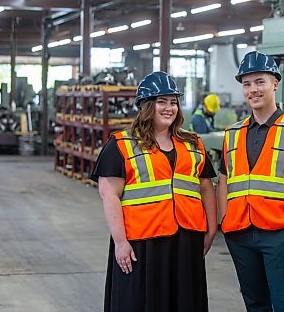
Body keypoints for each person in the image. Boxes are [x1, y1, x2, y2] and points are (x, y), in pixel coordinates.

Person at [92, 71, 218, 312]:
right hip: (143, 243)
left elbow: (205, 187)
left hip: (186, 240)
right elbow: (109, 195)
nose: (169, 108)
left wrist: (212, 228)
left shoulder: (193, 144)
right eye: (162, 102)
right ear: (146, 106)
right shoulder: (121, 145)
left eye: (173, 102)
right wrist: (120, 242)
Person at [217, 51, 284, 312]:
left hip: (281, 234)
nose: (253, 90)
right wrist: (224, 222)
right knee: (255, 304)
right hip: (241, 234)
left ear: (275, 83)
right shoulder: (233, 133)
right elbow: (224, 179)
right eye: (247, 84)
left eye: (260, 82)